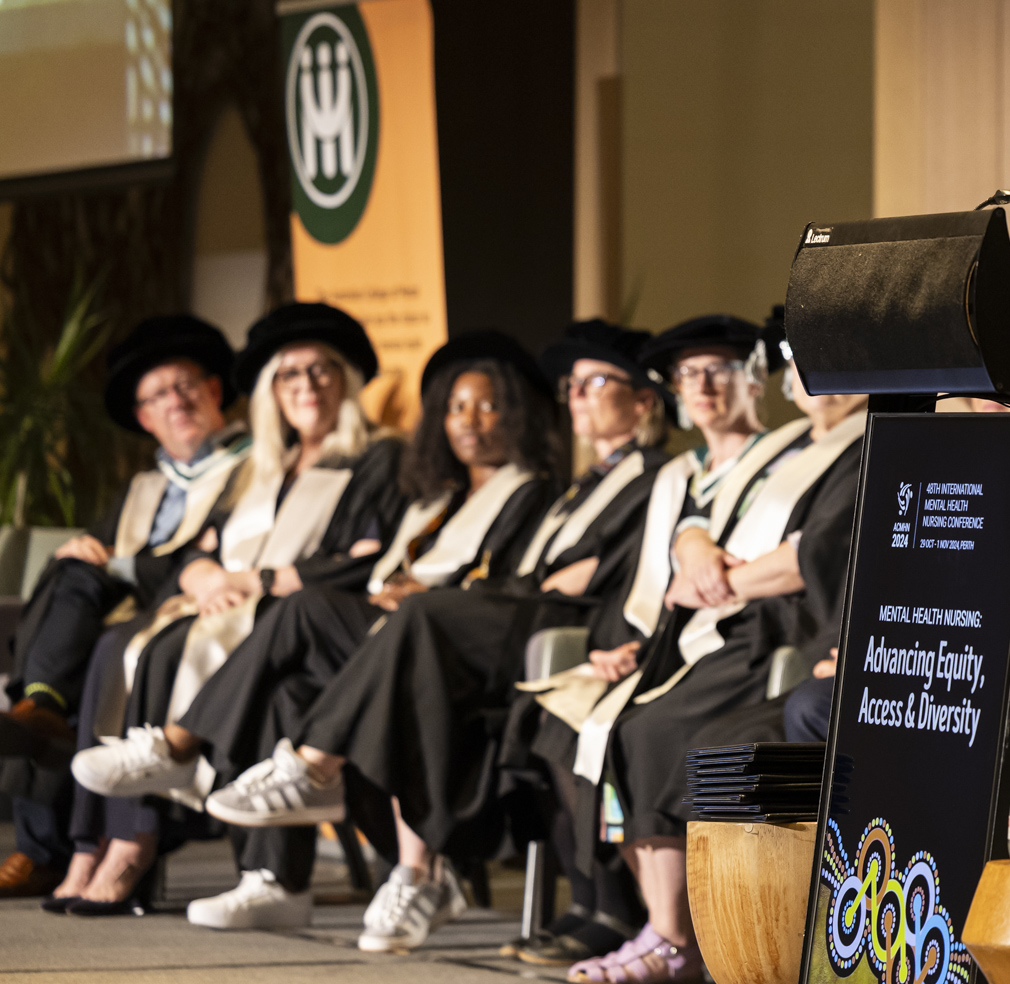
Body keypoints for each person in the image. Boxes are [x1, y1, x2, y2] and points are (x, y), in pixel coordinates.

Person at [98, 321, 673, 944]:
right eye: (455, 407)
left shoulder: (588, 483)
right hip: (439, 630)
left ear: (642, 401)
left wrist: (431, 594)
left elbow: (568, 577)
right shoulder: (485, 493)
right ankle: (272, 866)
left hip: (497, 640)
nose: (470, 421)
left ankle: (286, 771)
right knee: (299, 650)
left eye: (488, 406)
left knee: (370, 616)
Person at [56, 303, 407, 917]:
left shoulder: (378, 458)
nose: (306, 387)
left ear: (347, 382)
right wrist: (203, 573)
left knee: (267, 675)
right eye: (289, 375)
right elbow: (199, 545)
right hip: (259, 618)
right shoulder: (267, 467)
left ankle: (182, 769)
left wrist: (260, 580)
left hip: (328, 630)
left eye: (321, 371)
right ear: (272, 391)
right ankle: (258, 872)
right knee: (160, 648)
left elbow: (369, 562)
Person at [564, 327, 867, 984]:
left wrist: (718, 582)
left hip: (784, 629)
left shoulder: (865, 443)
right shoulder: (799, 448)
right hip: (728, 617)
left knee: (660, 732)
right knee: (611, 727)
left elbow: (817, 552)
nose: (813, 377)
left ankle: (675, 935)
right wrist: (696, 546)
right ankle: (653, 923)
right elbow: (710, 512)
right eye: (803, 360)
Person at [0, 315, 248, 900]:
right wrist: (81, 551)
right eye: (158, 396)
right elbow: (107, 551)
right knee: (70, 571)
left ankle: (45, 831)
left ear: (214, 390)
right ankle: (41, 712)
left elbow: (210, 556)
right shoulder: (143, 486)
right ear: (143, 418)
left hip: (192, 608)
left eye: (185, 386)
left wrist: (117, 563)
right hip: (122, 611)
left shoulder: (249, 467)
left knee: (83, 648)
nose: (175, 402)